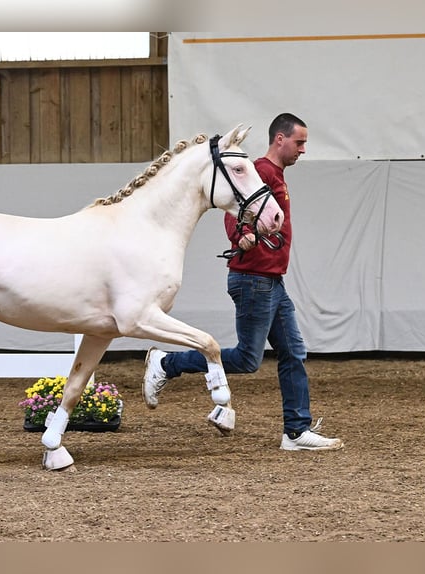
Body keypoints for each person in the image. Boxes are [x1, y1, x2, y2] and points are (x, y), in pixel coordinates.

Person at [143, 113, 343, 451]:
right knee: (248, 360)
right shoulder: (262, 171)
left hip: (271, 281)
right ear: (280, 139)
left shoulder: (274, 173)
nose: (303, 149)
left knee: (294, 352)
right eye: (299, 142)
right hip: (253, 280)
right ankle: (166, 363)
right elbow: (233, 212)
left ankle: (296, 432)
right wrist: (245, 234)